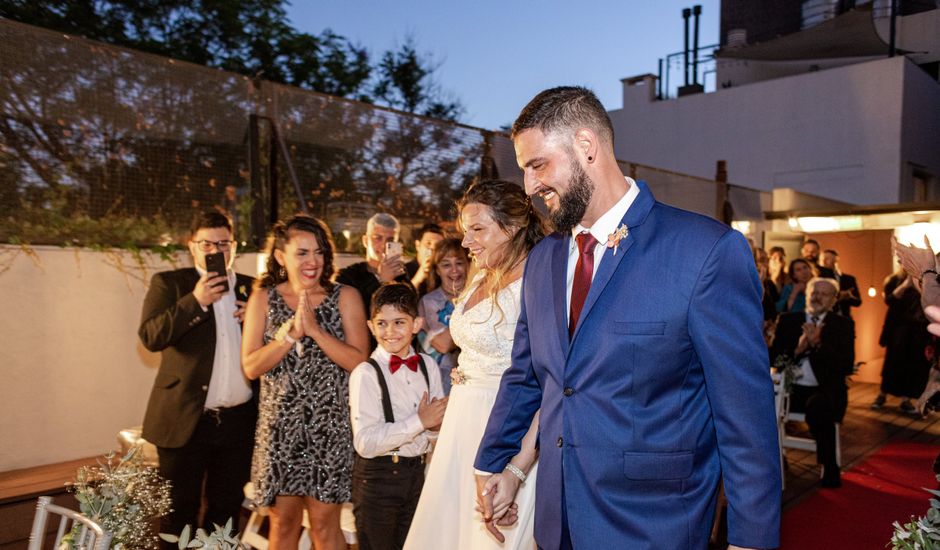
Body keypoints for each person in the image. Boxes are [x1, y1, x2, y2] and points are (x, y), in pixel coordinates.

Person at [474, 86, 780, 550]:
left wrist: (750, 538)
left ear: (586, 147)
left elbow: (744, 417)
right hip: (556, 524)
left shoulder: (705, 251)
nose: (530, 187)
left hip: (653, 524)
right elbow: (528, 377)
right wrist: (497, 465)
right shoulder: (543, 260)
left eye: (538, 165)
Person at [405, 179, 545, 550]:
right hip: (461, 422)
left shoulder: (539, 280)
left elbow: (548, 381)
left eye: (478, 230)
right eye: (466, 232)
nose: (466, 243)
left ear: (512, 227)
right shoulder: (482, 272)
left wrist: (516, 467)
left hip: (504, 427)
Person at [241, 215, 369, 550]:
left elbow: (360, 363)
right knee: (283, 526)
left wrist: (314, 331)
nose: (313, 261)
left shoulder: (346, 296)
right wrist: (288, 337)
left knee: (325, 528)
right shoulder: (262, 300)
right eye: (302, 253)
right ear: (281, 257)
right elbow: (251, 367)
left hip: (330, 430)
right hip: (279, 431)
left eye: (319, 252)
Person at [138, 211, 256, 541]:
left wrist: (258, 321)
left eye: (223, 243)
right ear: (192, 247)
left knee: (226, 513)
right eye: (207, 243)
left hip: (237, 423)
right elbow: (150, 336)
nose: (215, 250)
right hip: (185, 420)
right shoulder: (171, 284)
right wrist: (196, 301)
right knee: (178, 513)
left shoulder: (254, 289)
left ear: (233, 247)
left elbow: (272, 349)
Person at [349, 283, 447, 550]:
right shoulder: (366, 374)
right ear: (370, 326)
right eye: (382, 323)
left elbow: (434, 431)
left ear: (417, 324)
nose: (390, 332)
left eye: (399, 322)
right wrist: (420, 422)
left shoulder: (428, 366)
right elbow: (365, 443)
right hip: (378, 480)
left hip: (417, 476)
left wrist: (437, 426)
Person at [771, 277, 855, 487]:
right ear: (806, 295)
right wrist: (798, 349)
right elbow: (773, 358)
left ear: (834, 300)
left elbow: (845, 365)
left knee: (819, 407)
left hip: (824, 390)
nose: (817, 297)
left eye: (824, 294)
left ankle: (829, 466)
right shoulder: (789, 320)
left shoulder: (842, 325)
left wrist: (818, 344)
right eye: (814, 292)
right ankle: (774, 459)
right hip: (790, 389)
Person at [336, 213, 412, 342]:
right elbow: (354, 317)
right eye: (378, 238)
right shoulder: (348, 276)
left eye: (390, 240)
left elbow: (410, 313)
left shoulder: (401, 275)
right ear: (365, 241)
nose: (383, 245)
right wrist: (381, 281)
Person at [872, 268, 930, 413]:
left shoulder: (925, 279)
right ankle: (882, 394)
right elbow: (889, 300)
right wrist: (905, 285)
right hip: (898, 329)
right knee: (892, 362)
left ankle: (906, 399)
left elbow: (929, 300)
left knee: (911, 364)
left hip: (917, 330)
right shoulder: (893, 280)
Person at [416, 238, 470, 395]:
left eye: (459, 263)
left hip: (472, 379)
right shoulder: (429, 302)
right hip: (439, 383)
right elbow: (443, 344)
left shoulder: (477, 296)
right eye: (446, 265)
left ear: (468, 264)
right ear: (437, 270)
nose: (454, 270)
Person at [405, 222, 445, 297]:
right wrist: (418, 278)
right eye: (428, 243)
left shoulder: (444, 272)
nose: (432, 249)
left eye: (438, 245)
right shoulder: (403, 271)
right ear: (417, 245)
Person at [820, 249, 861, 318]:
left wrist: (849, 297)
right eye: (822, 260)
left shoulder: (849, 279)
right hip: (825, 319)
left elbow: (858, 302)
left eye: (827, 259)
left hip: (844, 318)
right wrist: (838, 296)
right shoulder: (818, 280)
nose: (824, 262)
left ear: (835, 261)